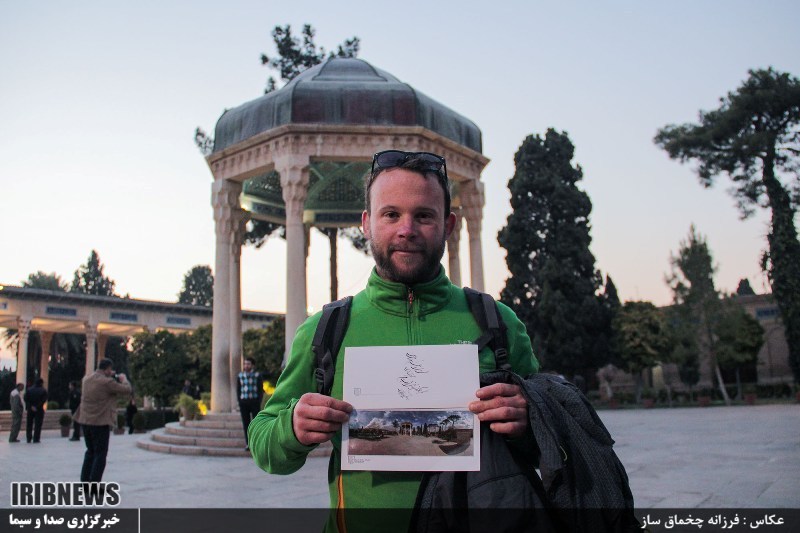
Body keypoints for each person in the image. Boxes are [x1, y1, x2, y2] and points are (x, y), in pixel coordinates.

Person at [248, 150, 538, 532]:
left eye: (424, 215)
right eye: (391, 214)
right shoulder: (325, 330)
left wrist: (528, 422)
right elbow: (264, 444)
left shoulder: (498, 323)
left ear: (448, 224)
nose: (407, 229)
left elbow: (551, 444)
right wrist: (292, 426)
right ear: (366, 224)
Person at [75, 359, 131, 482]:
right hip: (100, 422)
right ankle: (94, 483)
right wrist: (123, 379)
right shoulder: (107, 382)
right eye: (110, 369)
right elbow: (127, 389)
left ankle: (84, 482)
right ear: (108, 369)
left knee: (90, 452)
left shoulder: (86, 379)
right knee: (100, 454)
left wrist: (108, 375)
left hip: (85, 420)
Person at [237, 357, 263, 451]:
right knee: (246, 424)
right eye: (245, 364)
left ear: (252, 365)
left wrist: (259, 401)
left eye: (248, 364)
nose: (246, 366)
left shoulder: (257, 375)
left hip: (254, 402)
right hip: (244, 402)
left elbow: (260, 389)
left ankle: (256, 443)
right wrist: (240, 401)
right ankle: (248, 443)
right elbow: (238, 390)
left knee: (255, 423)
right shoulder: (240, 376)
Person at [24, 378, 48, 444]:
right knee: (38, 424)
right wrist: (37, 406)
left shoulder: (29, 390)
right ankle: (36, 438)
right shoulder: (43, 390)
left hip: (30, 409)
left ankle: (28, 438)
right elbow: (44, 400)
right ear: (41, 383)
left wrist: (31, 406)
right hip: (39, 409)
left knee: (29, 424)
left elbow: (26, 399)